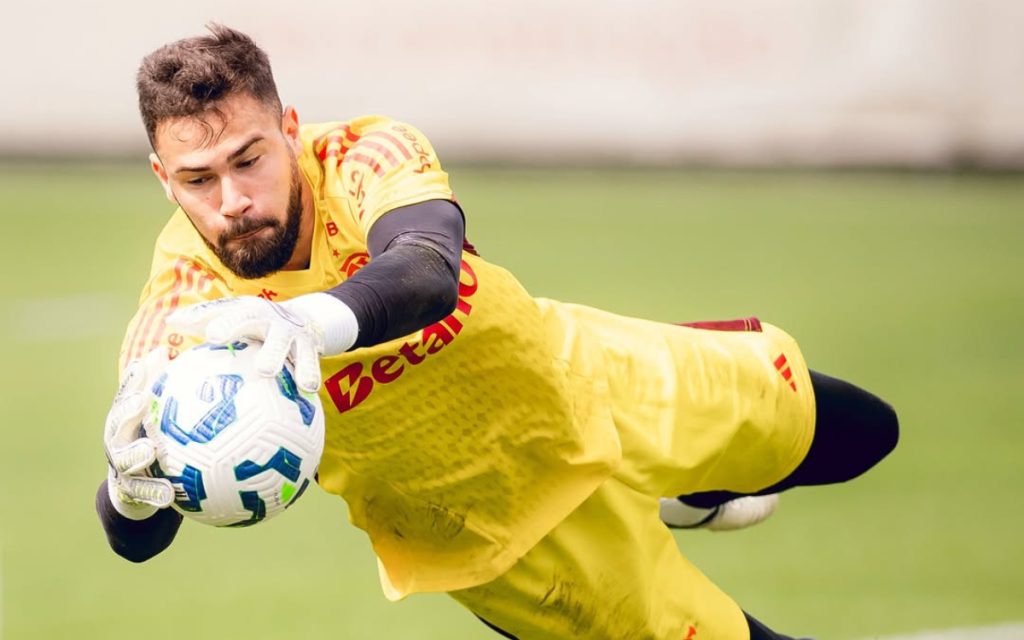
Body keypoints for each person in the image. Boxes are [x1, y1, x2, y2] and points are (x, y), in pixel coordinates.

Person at [97, 24, 898, 640]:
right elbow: (135, 530)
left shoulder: (361, 156)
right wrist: (132, 500)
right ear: (164, 180)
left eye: (250, 159)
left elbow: (425, 267)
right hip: (491, 533)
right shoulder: (179, 316)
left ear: (292, 129)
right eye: (200, 180)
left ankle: (687, 494)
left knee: (868, 433)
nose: (233, 198)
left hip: (590, 378)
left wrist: (299, 321)